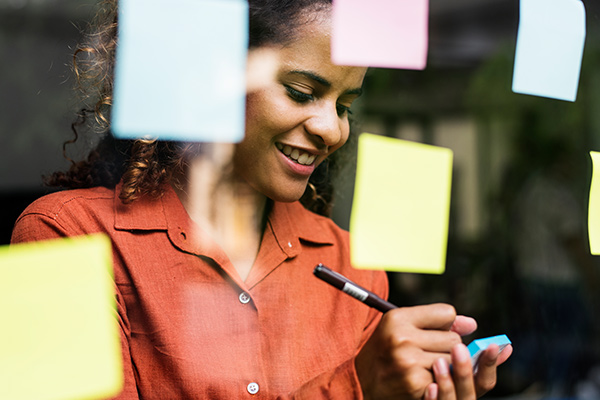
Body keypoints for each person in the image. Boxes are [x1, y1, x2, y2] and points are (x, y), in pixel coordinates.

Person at [11, 0, 511, 398]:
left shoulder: (351, 263)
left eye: (344, 105)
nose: (332, 128)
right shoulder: (59, 240)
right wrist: (356, 387)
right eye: (300, 92)